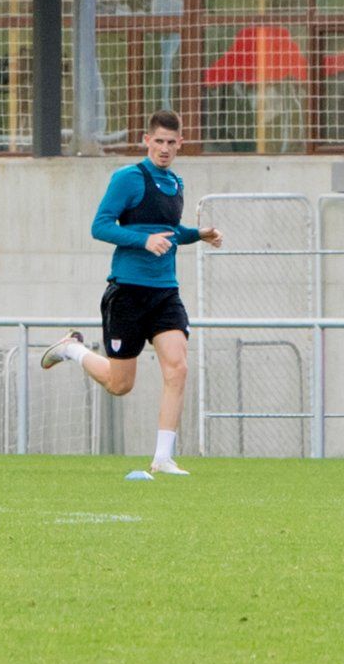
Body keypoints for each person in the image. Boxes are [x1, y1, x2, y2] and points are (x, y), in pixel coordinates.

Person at [41, 112, 220, 480]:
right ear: (146, 140)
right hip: (128, 293)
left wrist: (197, 234)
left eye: (172, 142)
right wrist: (142, 240)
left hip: (165, 293)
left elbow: (168, 232)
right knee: (121, 385)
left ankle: (163, 458)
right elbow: (100, 225)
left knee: (178, 366)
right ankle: (72, 349)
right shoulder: (128, 178)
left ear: (180, 144)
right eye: (159, 141)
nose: (165, 149)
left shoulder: (175, 182)